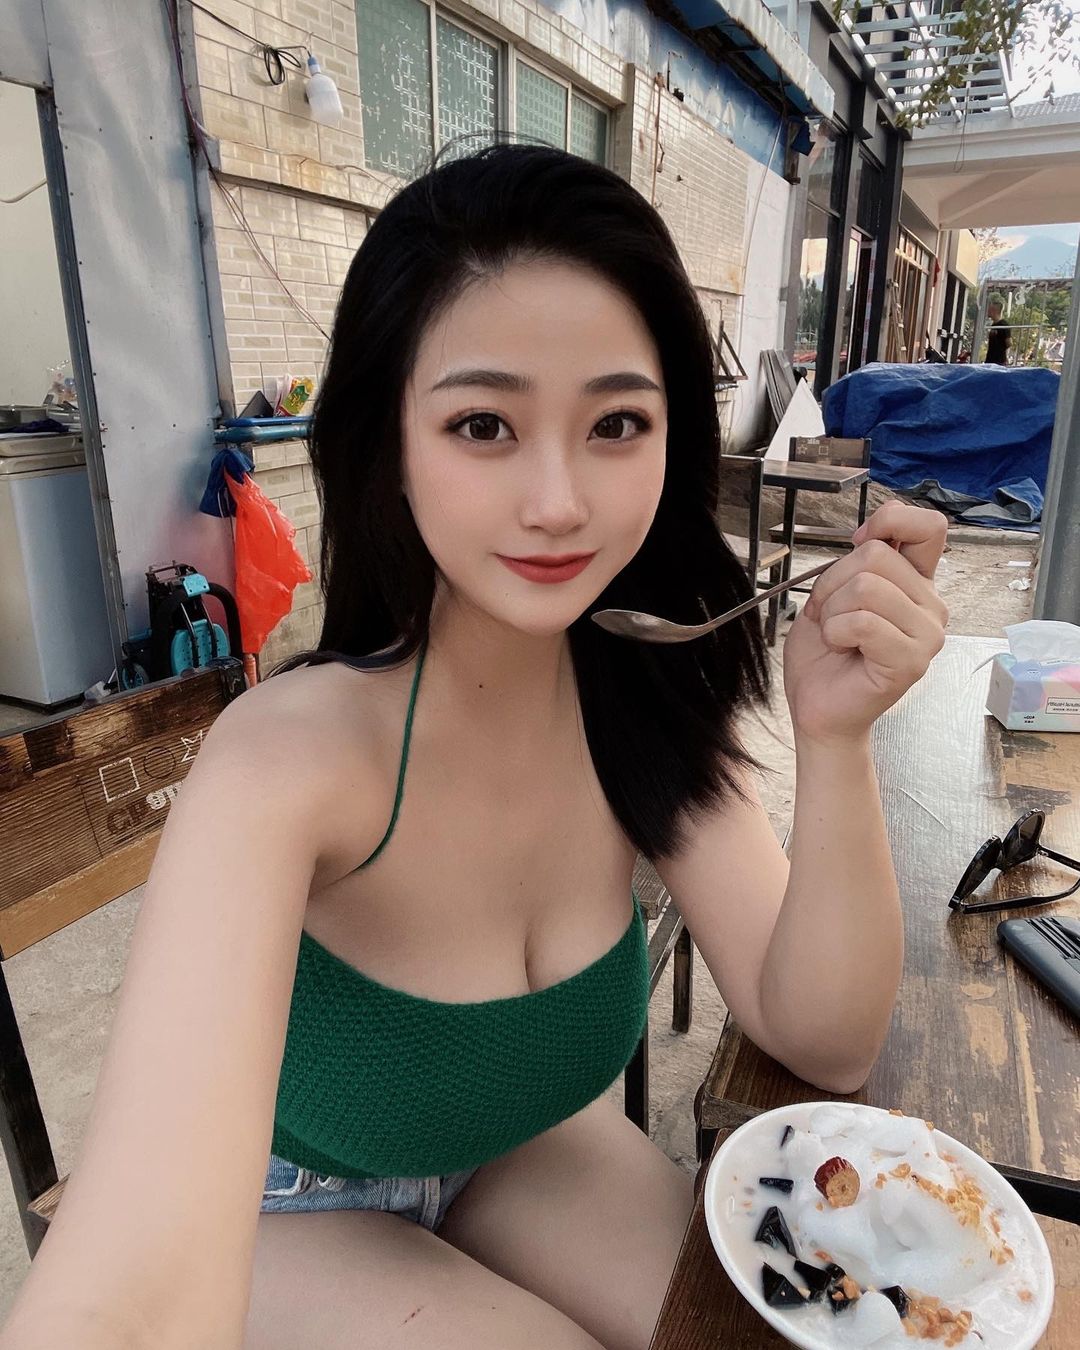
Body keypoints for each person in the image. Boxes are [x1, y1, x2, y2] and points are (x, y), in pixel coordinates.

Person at [0, 144, 947, 1350]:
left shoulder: (642, 692)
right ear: (389, 443)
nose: (558, 501)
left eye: (616, 422)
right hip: (287, 1216)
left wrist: (837, 736)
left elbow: (824, 1034)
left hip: (517, 1149)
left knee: (770, 1331)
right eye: (484, 424)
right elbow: (136, 1278)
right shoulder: (285, 763)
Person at [985, 294, 1012, 365]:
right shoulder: (994, 324)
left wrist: (1001, 350)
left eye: (989, 310)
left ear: (994, 311)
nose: (987, 311)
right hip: (990, 359)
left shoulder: (1004, 325)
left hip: (999, 361)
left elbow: (1009, 343)